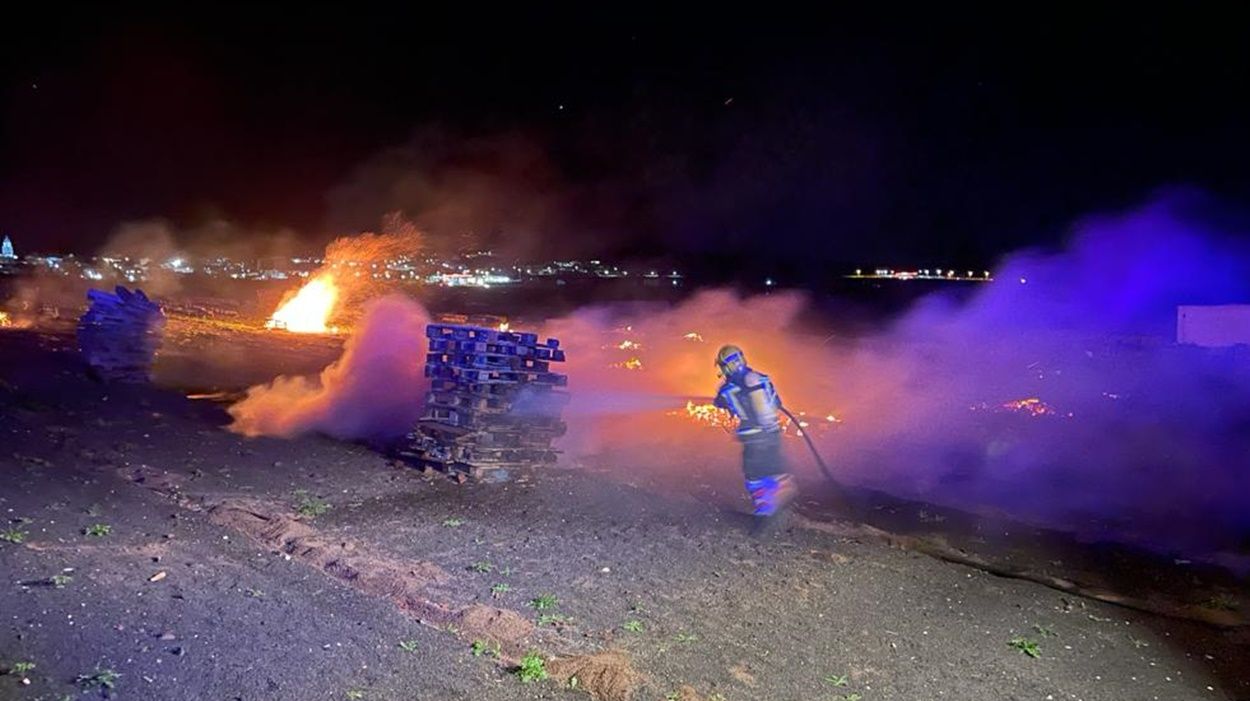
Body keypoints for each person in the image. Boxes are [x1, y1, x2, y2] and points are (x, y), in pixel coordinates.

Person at [713, 344, 797, 527]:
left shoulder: (727, 388)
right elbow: (776, 403)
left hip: (753, 438)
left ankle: (765, 510)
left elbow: (719, 402)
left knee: (753, 474)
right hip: (773, 435)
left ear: (726, 366)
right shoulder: (762, 379)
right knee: (773, 467)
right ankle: (781, 488)